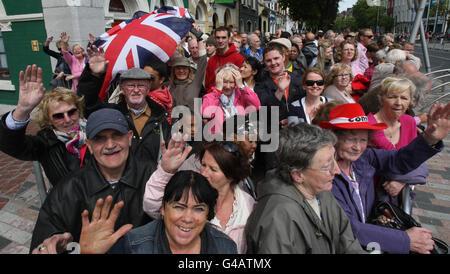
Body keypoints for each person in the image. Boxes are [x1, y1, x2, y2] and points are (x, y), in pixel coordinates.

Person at [318, 102, 450, 254]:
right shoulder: (323, 173)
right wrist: (404, 240)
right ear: (333, 139)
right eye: (351, 139)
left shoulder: (365, 158)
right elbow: (347, 226)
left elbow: (400, 160)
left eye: (363, 140)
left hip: (366, 243)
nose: (358, 147)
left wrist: (429, 139)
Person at [30, 108, 156, 253]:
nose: (110, 145)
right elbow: (44, 237)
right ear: (89, 146)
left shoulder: (153, 175)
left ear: (129, 138)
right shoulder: (69, 188)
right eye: (99, 139)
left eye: (117, 136)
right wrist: (53, 246)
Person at [245, 123, 366, 254]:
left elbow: (349, 247)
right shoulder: (278, 215)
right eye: (326, 167)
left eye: (334, 159)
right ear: (297, 175)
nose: (337, 171)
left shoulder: (322, 192)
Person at [78, 171, 238, 254]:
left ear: (208, 214)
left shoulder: (225, 247)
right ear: (162, 208)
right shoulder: (133, 246)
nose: (188, 218)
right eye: (179, 207)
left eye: (198, 209)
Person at [143, 141, 255, 253]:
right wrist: (166, 171)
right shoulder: (189, 191)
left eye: (213, 169)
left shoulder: (247, 205)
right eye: (203, 165)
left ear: (231, 175)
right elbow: (152, 206)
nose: (204, 173)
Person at [77, 47, 171, 165]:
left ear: (148, 88)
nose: (136, 90)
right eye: (131, 85)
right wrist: (93, 75)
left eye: (141, 85)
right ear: (122, 88)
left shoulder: (161, 116)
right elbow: (87, 105)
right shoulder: (112, 114)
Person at [0, 65, 89, 187]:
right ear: (49, 119)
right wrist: (23, 109)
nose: (68, 120)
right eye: (59, 116)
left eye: (71, 112)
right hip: (70, 203)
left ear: (78, 110)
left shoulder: (94, 131)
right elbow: (12, 146)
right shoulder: (44, 143)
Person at [367, 77, 428, 210]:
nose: (398, 103)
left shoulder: (409, 122)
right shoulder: (369, 125)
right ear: (381, 98)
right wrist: (411, 176)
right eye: (393, 97)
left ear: (410, 102)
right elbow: (394, 161)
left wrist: (402, 181)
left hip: (398, 199)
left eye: (404, 98)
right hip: (369, 194)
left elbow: (416, 159)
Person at [202, 64, 260, 134]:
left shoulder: (242, 95)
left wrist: (241, 86)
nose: (228, 86)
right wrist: (218, 91)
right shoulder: (210, 97)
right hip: (219, 139)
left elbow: (256, 106)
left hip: (241, 138)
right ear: (218, 81)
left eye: (231, 82)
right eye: (225, 82)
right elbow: (207, 114)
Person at [204, 26, 245, 93]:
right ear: (215, 39)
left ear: (229, 39)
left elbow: (242, 83)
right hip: (215, 99)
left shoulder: (239, 59)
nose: (220, 41)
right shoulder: (211, 60)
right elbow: (208, 84)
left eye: (223, 38)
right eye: (218, 38)